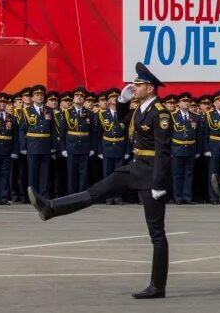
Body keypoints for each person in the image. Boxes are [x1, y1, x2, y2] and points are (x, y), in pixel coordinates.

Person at [28, 62, 172, 299]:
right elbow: (124, 121)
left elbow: (163, 152)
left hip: (150, 176)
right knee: (96, 191)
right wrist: (124, 101)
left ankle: (158, 286)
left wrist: (159, 184)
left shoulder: (161, 113)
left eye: (137, 85)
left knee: (156, 232)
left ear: (150, 87)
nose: (133, 88)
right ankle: (51, 207)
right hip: (135, 167)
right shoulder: (142, 108)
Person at [20, 85, 56, 200]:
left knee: (45, 172)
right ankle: (33, 196)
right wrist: (23, 146)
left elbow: (53, 129)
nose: (40, 97)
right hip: (32, 144)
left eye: (41, 95)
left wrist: (53, 146)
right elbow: (22, 130)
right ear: (32, 98)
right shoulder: (26, 111)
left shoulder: (49, 110)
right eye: (37, 95)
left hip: (45, 145)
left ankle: (44, 195)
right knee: (32, 172)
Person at [60, 87, 96, 194]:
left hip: (84, 146)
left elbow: (93, 133)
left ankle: (82, 195)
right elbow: (62, 132)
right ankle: (71, 195)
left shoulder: (89, 113)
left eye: (81, 97)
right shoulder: (66, 113)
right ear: (73, 98)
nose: (79, 98)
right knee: (72, 173)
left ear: (84, 99)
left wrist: (92, 148)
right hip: (71, 146)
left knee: (83, 173)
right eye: (77, 96)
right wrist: (63, 148)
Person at [96, 88, 128, 205]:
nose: (114, 100)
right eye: (111, 98)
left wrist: (127, 150)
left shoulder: (123, 114)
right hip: (107, 147)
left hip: (120, 146)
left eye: (116, 98)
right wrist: (99, 150)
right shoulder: (102, 115)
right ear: (108, 101)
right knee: (107, 174)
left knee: (119, 174)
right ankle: (108, 197)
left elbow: (127, 134)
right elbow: (98, 135)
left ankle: (118, 196)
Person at [171, 92, 201, 204]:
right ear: (178, 103)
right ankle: (178, 197)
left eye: (188, 101)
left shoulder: (195, 116)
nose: (187, 103)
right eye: (184, 101)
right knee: (177, 174)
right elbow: (168, 135)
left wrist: (198, 150)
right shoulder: (173, 116)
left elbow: (198, 135)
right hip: (177, 148)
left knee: (189, 174)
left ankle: (187, 197)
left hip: (190, 148)